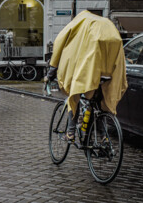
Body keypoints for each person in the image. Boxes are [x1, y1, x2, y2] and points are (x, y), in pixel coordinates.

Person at [46, 10, 127, 142]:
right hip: (107, 73)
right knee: (100, 103)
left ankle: (70, 133)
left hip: (89, 71)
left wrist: (51, 73)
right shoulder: (106, 24)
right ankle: (103, 136)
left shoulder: (78, 23)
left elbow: (59, 44)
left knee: (75, 95)